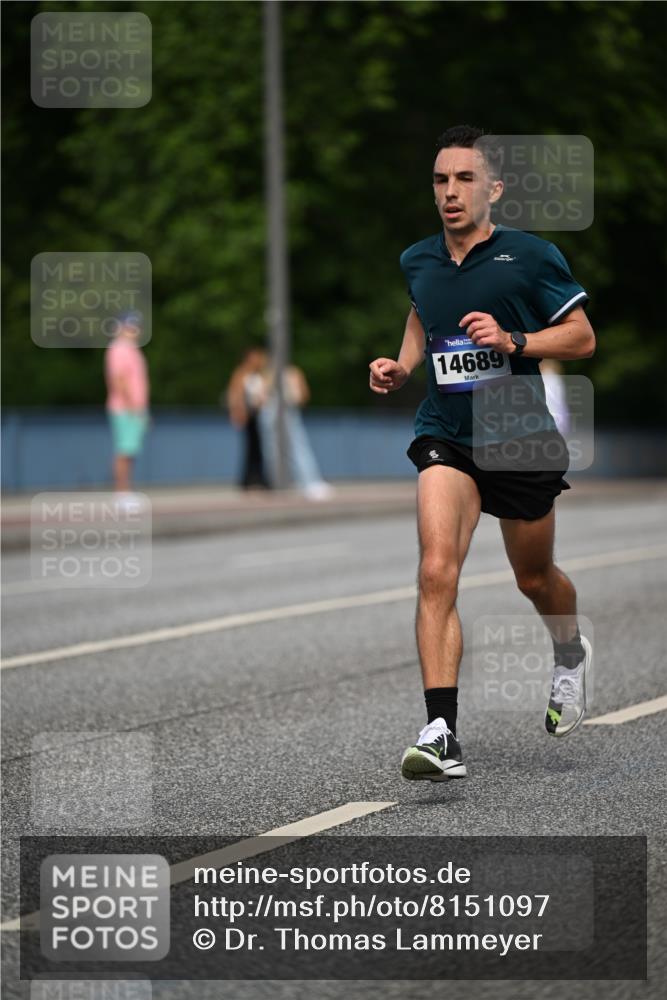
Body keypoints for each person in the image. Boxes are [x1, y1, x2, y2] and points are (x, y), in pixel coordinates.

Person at [369, 126, 595, 782]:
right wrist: (403, 365)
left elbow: (581, 337)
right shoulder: (418, 258)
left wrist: (513, 339)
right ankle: (440, 732)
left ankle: (569, 652)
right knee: (436, 570)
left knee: (533, 578)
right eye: (440, 180)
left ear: (492, 188)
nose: (450, 192)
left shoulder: (529, 256)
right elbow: (422, 313)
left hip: (517, 433)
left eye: (464, 179)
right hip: (447, 430)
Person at [261, 364, 333, 500]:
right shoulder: (291, 373)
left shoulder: (269, 373)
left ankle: (279, 482)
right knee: (297, 447)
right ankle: (309, 482)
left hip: (271, 411)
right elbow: (302, 395)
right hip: (286, 411)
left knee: (273, 449)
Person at [105, 311, 150, 498]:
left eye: (136, 326)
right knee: (124, 450)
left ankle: (125, 490)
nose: (135, 330)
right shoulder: (119, 349)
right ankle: (121, 492)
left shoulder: (131, 349)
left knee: (130, 451)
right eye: (130, 326)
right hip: (125, 408)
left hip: (134, 408)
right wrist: (133, 406)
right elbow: (119, 379)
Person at [226, 347, 271, 490]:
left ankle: (261, 477)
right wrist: (236, 412)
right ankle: (249, 479)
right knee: (251, 447)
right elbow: (234, 394)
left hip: (262, 415)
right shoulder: (241, 374)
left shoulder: (262, 375)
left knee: (262, 448)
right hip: (249, 416)